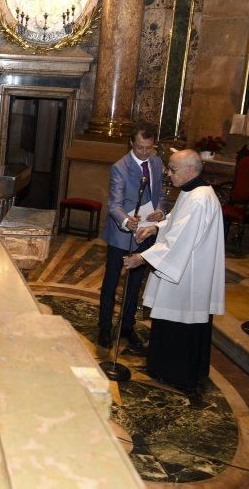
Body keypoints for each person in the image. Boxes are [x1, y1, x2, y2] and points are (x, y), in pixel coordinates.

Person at [123, 150, 226, 391]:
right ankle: (163, 367)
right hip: (185, 269)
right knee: (171, 323)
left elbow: (180, 240)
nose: (168, 174)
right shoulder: (193, 191)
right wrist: (156, 227)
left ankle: (176, 374)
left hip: (188, 277)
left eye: (173, 169)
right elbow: (176, 221)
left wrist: (142, 257)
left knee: (180, 325)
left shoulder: (200, 198)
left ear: (191, 170)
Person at [97, 122, 165, 349]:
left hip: (147, 232)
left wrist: (160, 211)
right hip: (121, 235)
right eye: (140, 148)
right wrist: (127, 220)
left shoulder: (156, 162)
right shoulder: (120, 167)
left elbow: (160, 194)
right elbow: (114, 204)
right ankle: (104, 329)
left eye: (149, 148)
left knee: (135, 284)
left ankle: (127, 326)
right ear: (131, 144)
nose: (145, 153)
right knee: (111, 283)